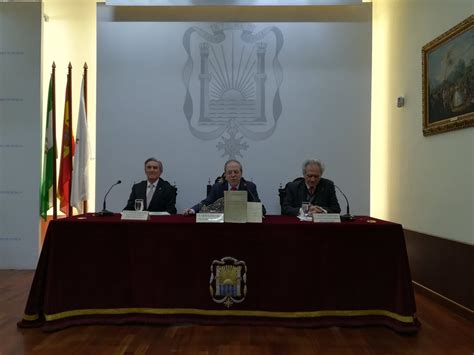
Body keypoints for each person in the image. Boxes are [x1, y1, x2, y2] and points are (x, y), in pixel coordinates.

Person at [183, 159, 265, 215]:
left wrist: (259, 211)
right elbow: (206, 203)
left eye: (236, 172)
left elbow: (259, 207)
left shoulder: (249, 186)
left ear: (241, 173)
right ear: (225, 175)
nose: (233, 175)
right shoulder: (217, 187)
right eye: (229, 172)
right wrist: (192, 210)